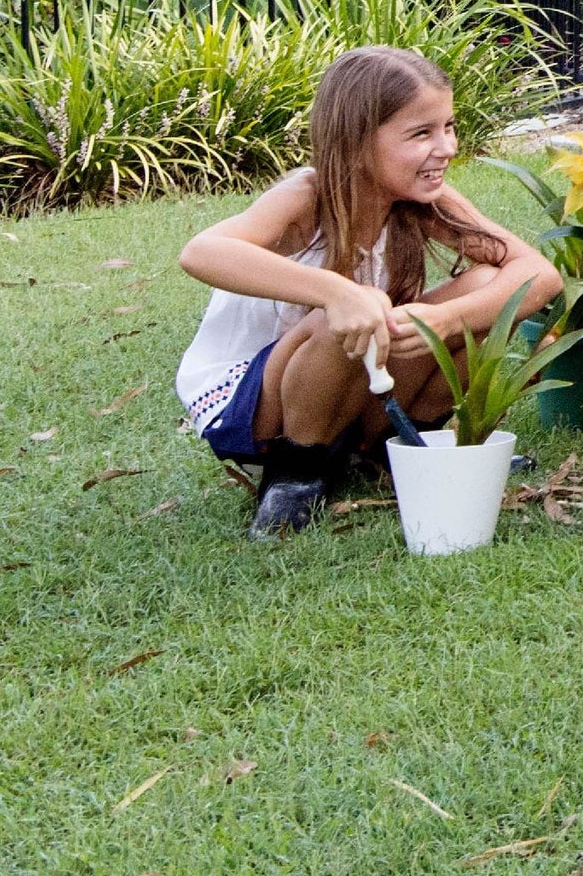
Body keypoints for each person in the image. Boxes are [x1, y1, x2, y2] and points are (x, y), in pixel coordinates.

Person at [177, 46, 554, 539]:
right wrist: (335, 292)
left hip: (358, 382)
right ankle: (296, 476)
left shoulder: (424, 200)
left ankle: (398, 447)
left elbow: (537, 273)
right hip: (253, 406)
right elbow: (201, 252)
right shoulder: (305, 199)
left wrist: (444, 320)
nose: (447, 147)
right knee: (342, 318)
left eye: (448, 126)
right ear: (356, 143)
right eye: (421, 133)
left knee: (486, 288)